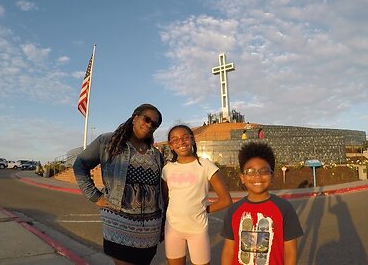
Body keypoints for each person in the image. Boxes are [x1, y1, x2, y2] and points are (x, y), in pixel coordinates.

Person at [73, 103, 165, 265]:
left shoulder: (155, 153)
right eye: (147, 119)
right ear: (135, 117)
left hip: (150, 227)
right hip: (120, 221)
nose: (150, 125)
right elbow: (80, 165)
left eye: (155, 124)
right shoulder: (108, 141)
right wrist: (95, 196)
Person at [221, 142, 303, 265]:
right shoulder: (234, 210)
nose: (257, 176)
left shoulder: (284, 208)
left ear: (272, 176)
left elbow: (290, 252)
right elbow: (228, 251)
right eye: (250, 171)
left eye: (264, 171)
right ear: (242, 177)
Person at [162, 124, 233, 265]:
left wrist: (204, 210)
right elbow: (165, 199)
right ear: (170, 145)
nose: (180, 142)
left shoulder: (205, 165)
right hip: (173, 230)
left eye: (185, 137)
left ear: (193, 140)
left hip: (197, 230)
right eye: (175, 140)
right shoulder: (167, 169)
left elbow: (225, 200)